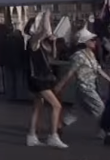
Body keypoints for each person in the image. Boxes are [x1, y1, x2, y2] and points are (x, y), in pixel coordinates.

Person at [57, 28, 110, 138]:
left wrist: (109, 79)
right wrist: (60, 85)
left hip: (90, 87)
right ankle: (105, 131)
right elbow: (70, 72)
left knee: (76, 111)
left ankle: (58, 127)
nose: (95, 42)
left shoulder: (91, 54)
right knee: (101, 108)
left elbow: (98, 70)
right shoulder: (78, 56)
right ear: (85, 42)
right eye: (92, 40)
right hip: (85, 88)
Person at [26, 20, 67, 148]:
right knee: (56, 106)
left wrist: (53, 41)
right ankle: (53, 136)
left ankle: (31, 136)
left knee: (37, 107)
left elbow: (53, 56)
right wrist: (46, 16)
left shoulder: (42, 43)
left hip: (42, 78)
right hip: (39, 79)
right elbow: (43, 31)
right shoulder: (33, 41)